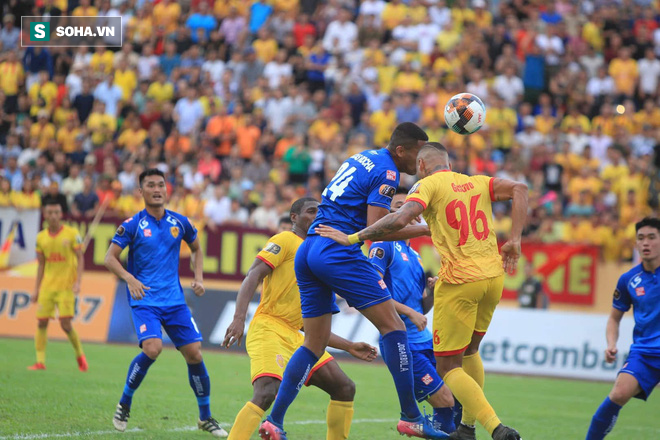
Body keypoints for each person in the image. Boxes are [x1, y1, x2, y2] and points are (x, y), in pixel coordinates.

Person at [316, 142, 529, 440]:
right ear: (449, 165)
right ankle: (467, 427)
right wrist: (515, 239)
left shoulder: (426, 186)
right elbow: (520, 188)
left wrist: (353, 237)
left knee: (448, 367)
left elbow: (399, 219)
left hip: (461, 280)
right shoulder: (475, 182)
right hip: (494, 276)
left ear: (422, 167)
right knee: (470, 351)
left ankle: (496, 428)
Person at [259, 123, 449, 439]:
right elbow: (378, 231)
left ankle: (274, 422)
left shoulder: (364, 157)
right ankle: (412, 416)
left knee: (314, 343)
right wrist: (427, 229)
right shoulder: (389, 174)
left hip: (309, 249)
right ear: (401, 150)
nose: (419, 164)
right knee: (394, 328)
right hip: (337, 251)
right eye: (417, 155)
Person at [223, 197, 378, 440]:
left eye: (321, 211)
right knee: (266, 392)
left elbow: (311, 326)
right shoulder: (285, 239)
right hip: (269, 327)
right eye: (310, 211)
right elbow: (253, 275)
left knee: (344, 387)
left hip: (297, 336)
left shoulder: (319, 255)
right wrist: (239, 317)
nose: (317, 215)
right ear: (294, 217)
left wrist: (348, 346)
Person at [104, 169, 227, 437]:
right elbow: (110, 258)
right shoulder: (133, 224)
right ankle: (124, 402)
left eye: (161, 184)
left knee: (194, 353)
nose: (157, 189)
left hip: (174, 300)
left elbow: (196, 249)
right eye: (150, 185)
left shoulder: (180, 222)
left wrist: (199, 278)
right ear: (141, 191)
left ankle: (205, 417)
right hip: (145, 299)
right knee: (153, 348)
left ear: (166, 189)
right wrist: (129, 279)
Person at [368, 189, 459, 434]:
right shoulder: (383, 245)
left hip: (425, 340)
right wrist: (409, 312)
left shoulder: (417, 256)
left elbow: (423, 307)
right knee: (445, 401)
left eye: (406, 206)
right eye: (396, 206)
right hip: (400, 341)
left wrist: (436, 289)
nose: (401, 211)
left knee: (456, 403)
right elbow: (372, 291)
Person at [585, 217, 660, 439]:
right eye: (641, 238)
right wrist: (611, 344)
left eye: (652, 237)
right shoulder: (629, 279)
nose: (645, 243)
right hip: (645, 353)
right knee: (618, 393)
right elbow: (614, 319)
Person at [28, 200, 87, 372]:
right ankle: (40, 362)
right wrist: (36, 289)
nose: (53, 216)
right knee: (41, 323)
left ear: (61, 215)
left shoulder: (71, 234)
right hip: (47, 287)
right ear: (45, 215)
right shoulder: (41, 238)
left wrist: (78, 282)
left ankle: (80, 355)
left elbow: (80, 257)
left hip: (66, 287)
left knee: (66, 325)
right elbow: (41, 265)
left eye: (56, 213)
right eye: (50, 213)